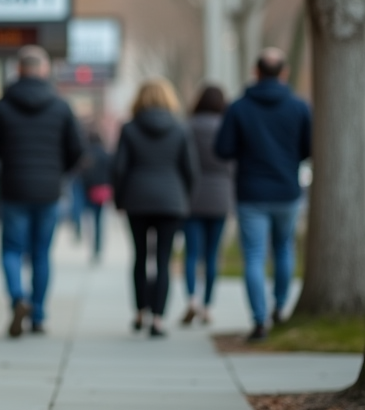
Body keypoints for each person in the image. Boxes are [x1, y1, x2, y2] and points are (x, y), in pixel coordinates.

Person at [0, 46, 84, 338]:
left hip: (13, 187)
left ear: (19, 70)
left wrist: (7, 157)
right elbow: (77, 149)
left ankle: (18, 298)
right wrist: (59, 170)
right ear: (44, 70)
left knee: (12, 249)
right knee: (41, 253)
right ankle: (38, 314)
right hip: (48, 191)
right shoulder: (61, 106)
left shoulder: (1, 105)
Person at [215, 48, 312, 341]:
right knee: (284, 249)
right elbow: (309, 149)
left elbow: (223, 149)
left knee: (255, 256)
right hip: (287, 191)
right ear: (285, 73)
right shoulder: (299, 107)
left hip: (251, 192)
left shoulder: (239, 108)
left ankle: (259, 321)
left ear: (255, 72)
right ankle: (280, 307)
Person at [112, 79, 197, 338]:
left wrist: (119, 200)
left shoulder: (129, 128)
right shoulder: (180, 128)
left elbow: (119, 168)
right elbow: (190, 170)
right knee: (163, 260)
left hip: (137, 199)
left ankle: (140, 312)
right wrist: (184, 198)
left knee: (139, 257)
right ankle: (158, 319)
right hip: (170, 201)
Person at [181, 84, 234, 326]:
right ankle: (207, 306)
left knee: (192, 253)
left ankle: (192, 299)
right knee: (212, 254)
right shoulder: (226, 126)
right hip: (220, 197)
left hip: (192, 197)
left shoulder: (188, 127)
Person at [79, 128, 113, 261]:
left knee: (89, 219)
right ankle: (98, 247)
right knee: (99, 220)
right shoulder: (105, 154)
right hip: (102, 190)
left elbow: (84, 175)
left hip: (90, 190)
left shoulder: (88, 155)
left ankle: (93, 246)